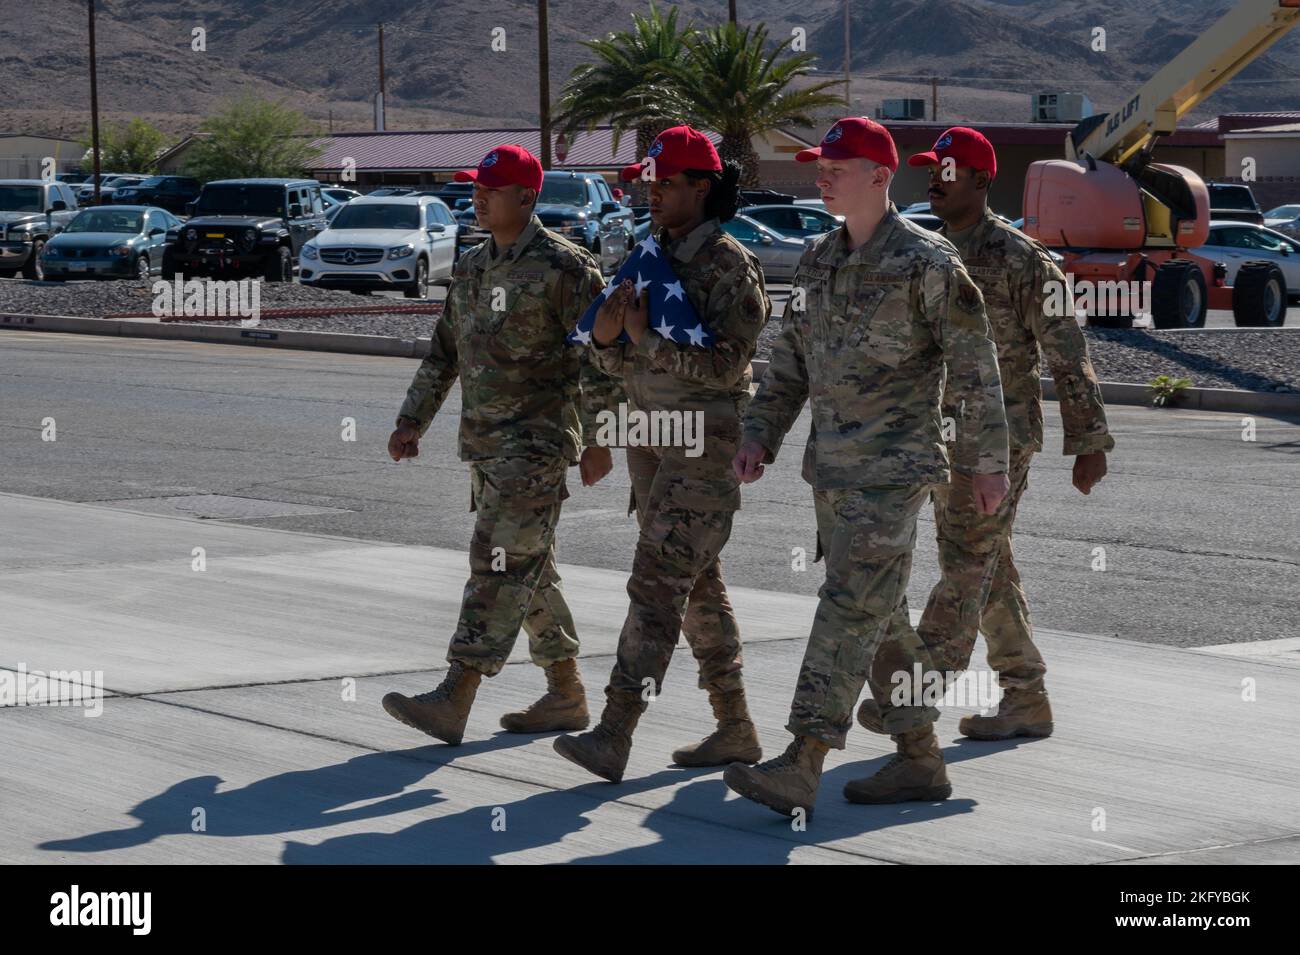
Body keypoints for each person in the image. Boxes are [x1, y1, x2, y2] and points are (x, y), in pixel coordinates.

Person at [725, 117, 1010, 818]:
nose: (821, 175)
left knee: (849, 605)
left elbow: (977, 369)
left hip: (892, 471)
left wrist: (988, 462)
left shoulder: (928, 263)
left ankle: (803, 759)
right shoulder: (819, 260)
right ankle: (919, 759)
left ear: (880, 176)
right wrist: (760, 434)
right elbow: (789, 362)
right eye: (819, 166)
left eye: (836, 166)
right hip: (834, 471)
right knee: (880, 619)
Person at [854, 127, 1113, 741]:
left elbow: (1067, 352)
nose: (936, 180)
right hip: (936, 436)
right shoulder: (925, 251)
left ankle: (913, 694)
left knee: (966, 565)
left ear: (981, 179)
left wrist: (1089, 440)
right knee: (988, 565)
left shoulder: (1021, 258)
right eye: (931, 170)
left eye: (949, 169)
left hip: (998, 440)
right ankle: (1026, 696)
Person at [552, 125, 771, 782]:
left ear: (701, 188)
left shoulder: (730, 265)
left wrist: (642, 342)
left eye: (666, 182)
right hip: (652, 440)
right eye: (649, 181)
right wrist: (613, 339)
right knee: (696, 584)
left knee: (655, 585)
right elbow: (613, 352)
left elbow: (731, 364)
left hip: (704, 444)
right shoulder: (651, 254)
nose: (652, 193)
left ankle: (615, 731)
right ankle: (735, 727)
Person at [381, 144, 619, 745]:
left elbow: (599, 359)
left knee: (496, 565)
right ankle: (565, 694)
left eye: (491, 189)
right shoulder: (471, 265)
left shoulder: (566, 269)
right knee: (531, 571)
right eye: (475, 189)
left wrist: (600, 438)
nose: (477, 198)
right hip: (484, 446)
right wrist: (413, 421)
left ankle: (455, 693)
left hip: (535, 448)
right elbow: (445, 351)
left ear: (527, 197)